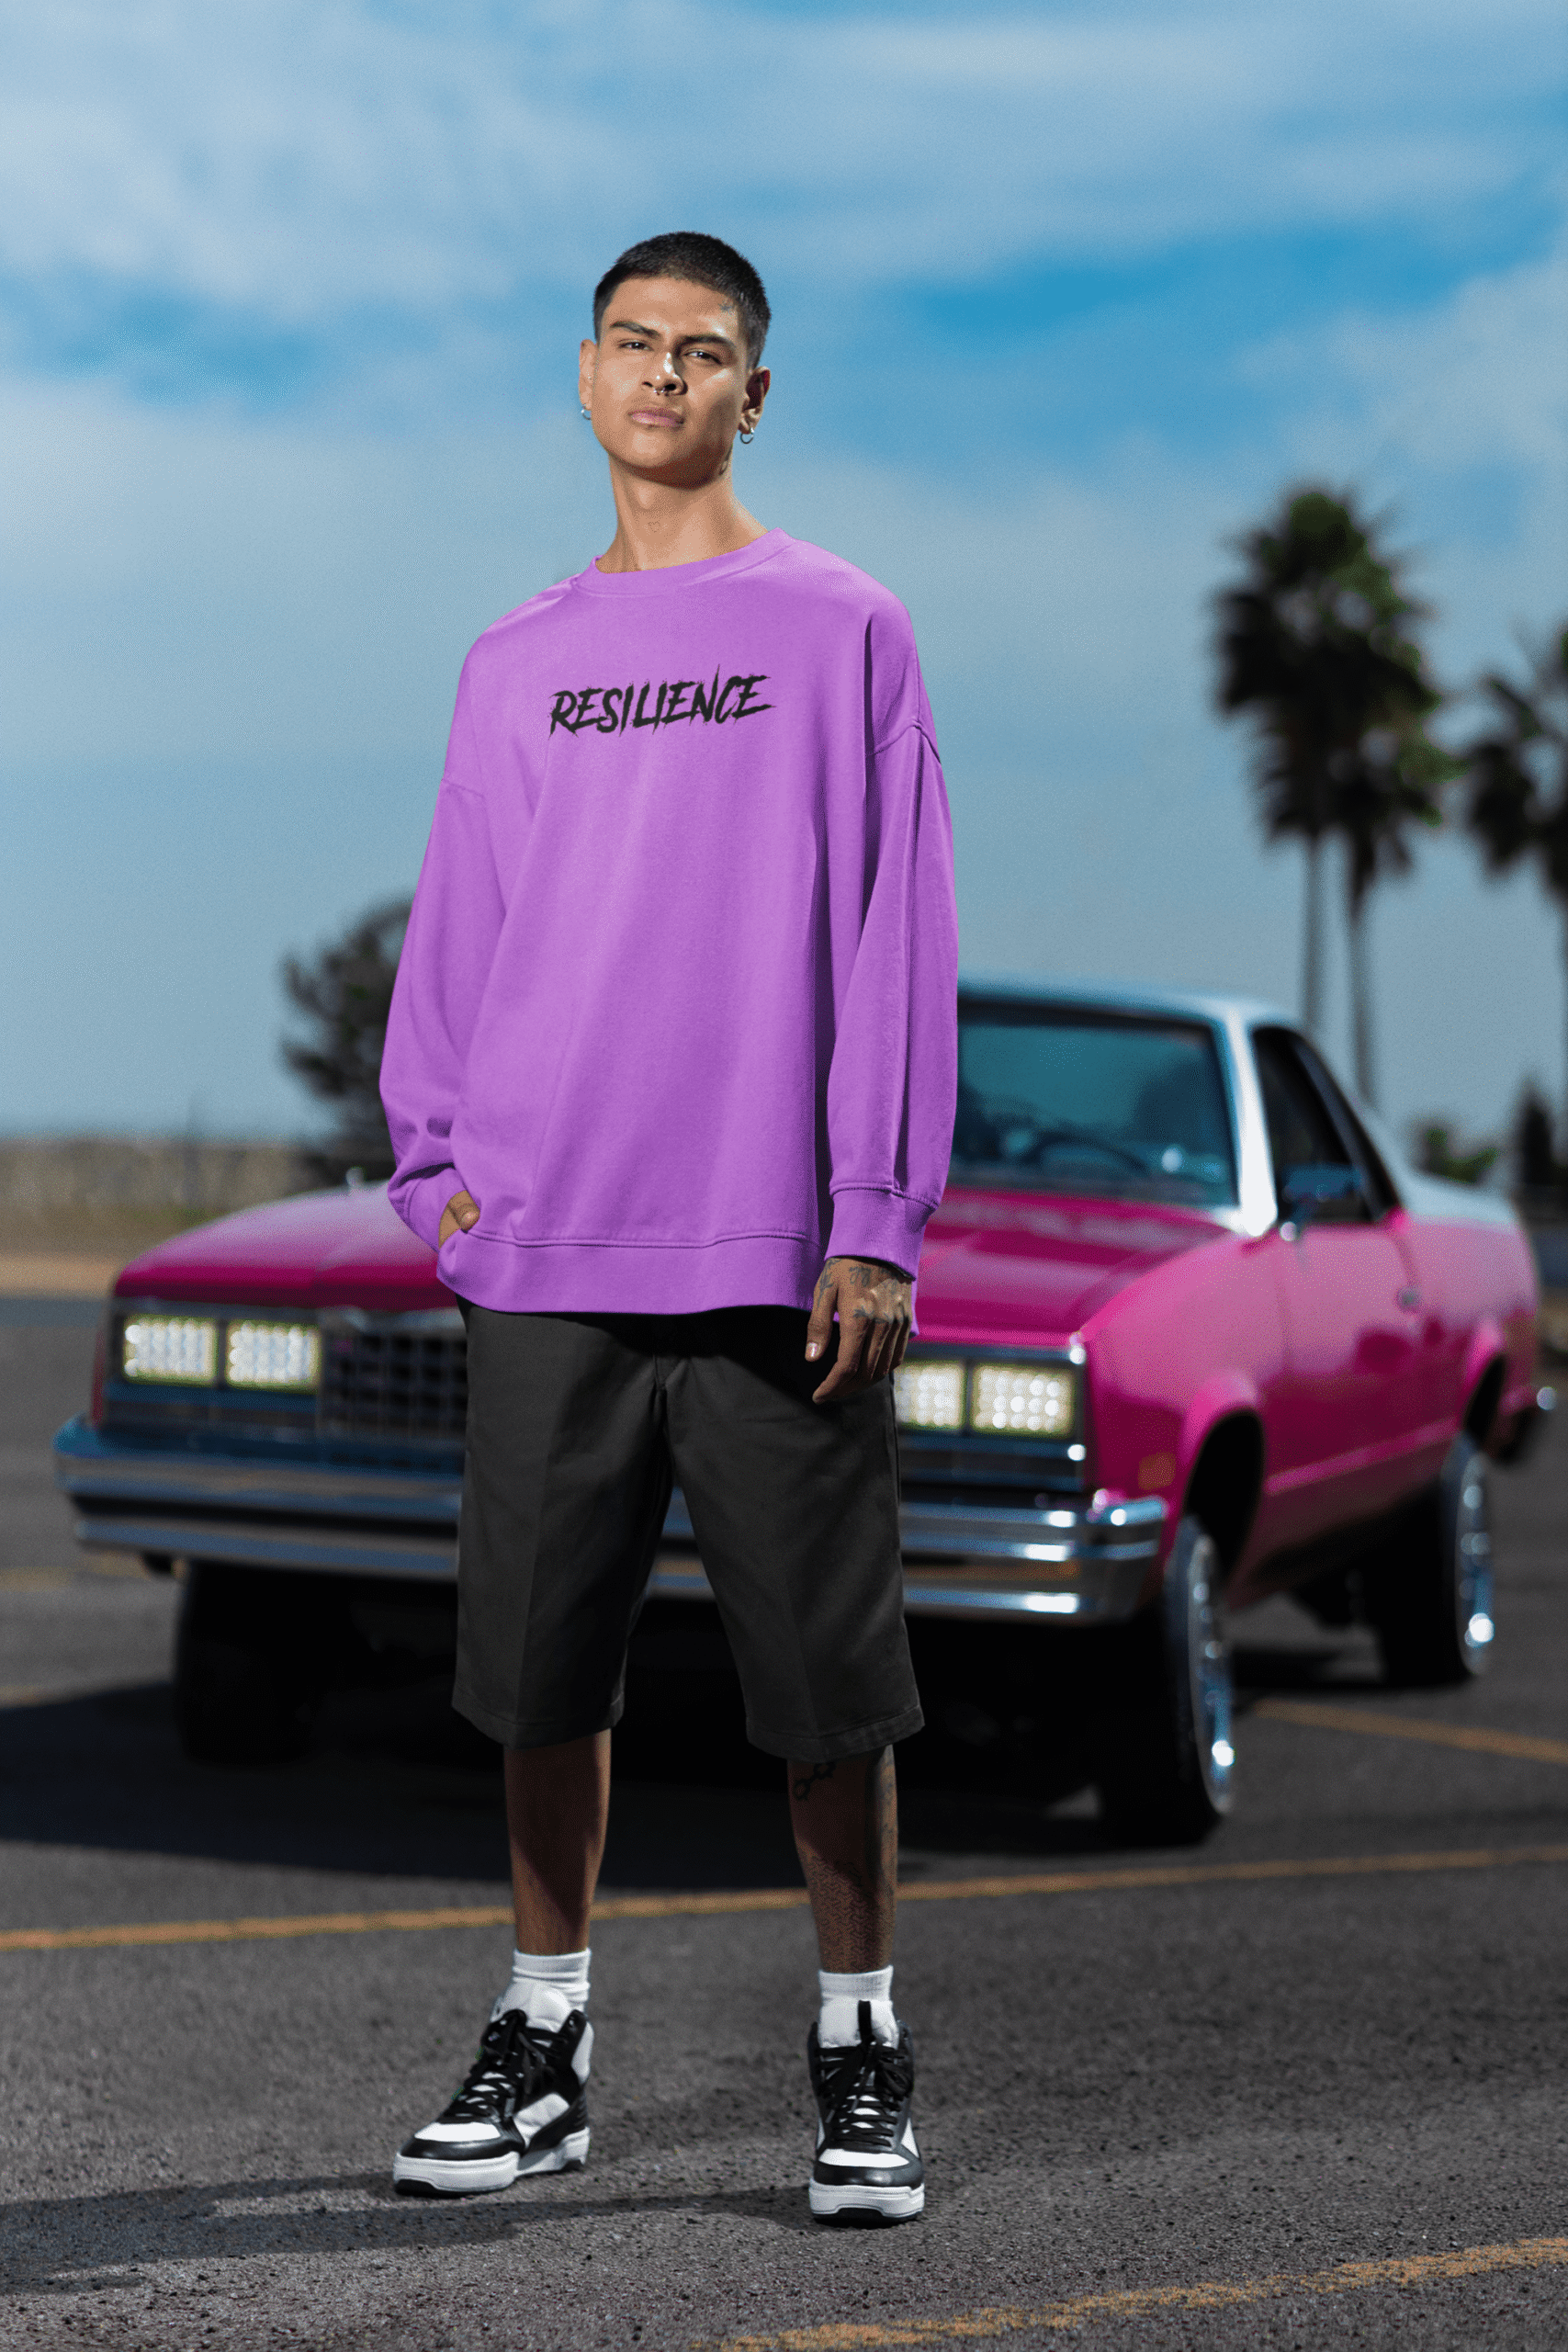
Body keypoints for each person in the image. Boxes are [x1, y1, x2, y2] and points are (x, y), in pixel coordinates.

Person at [379, 231, 957, 2224]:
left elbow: (896, 929)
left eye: (701, 352)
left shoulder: (844, 629)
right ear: (584, 373)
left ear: (752, 395)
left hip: (772, 1251)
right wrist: (431, 1161)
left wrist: (874, 1211)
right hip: (545, 1245)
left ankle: (860, 2044)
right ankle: (543, 2037)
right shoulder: (512, 659)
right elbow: (462, 919)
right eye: (632, 343)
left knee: (829, 1691)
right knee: (539, 1673)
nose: (662, 376)